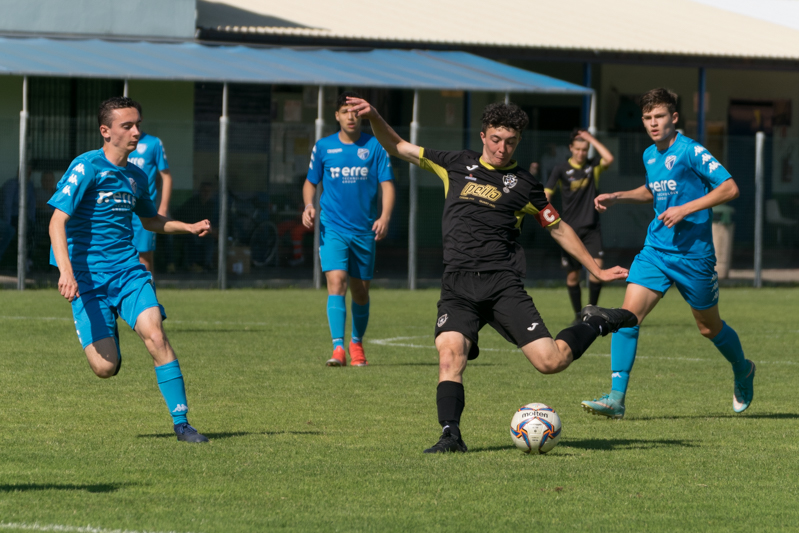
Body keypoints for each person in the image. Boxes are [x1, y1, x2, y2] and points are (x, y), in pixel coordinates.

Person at [347, 95, 636, 453]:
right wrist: (375, 115)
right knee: (450, 355)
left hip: (502, 285)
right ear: (483, 136)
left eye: (510, 142)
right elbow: (398, 146)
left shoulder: (525, 185)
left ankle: (595, 322)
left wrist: (597, 269)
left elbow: (559, 227)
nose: (502, 148)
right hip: (458, 284)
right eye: (496, 139)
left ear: (518, 141)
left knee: (551, 362)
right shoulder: (455, 164)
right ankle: (451, 435)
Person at [581, 88, 754, 419]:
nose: (653, 123)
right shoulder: (650, 154)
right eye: (647, 118)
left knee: (709, 328)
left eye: (659, 116)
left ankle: (743, 369)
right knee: (627, 317)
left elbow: (729, 188)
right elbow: (653, 191)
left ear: (673, 118)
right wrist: (618, 196)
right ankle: (616, 399)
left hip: (694, 257)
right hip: (656, 251)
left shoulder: (691, 151)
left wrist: (686, 208)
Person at [48, 96, 212, 443]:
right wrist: (66, 272)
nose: (137, 132)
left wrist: (187, 226)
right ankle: (106, 326)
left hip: (127, 272)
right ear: (106, 131)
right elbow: (56, 222)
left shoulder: (136, 176)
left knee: (156, 335)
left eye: (138, 124)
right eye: (128, 126)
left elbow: (150, 220)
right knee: (105, 367)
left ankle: (182, 423)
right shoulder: (86, 167)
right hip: (87, 279)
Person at [302, 91, 396, 368]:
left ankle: (356, 343)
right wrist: (308, 205)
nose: (351, 117)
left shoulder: (375, 146)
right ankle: (338, 348)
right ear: (337, 116)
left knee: (360, 292)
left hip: (364, 230)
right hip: (332, 227)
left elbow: (387, 185)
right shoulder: (323, 147)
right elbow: (310, 182)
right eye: (345, 111)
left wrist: (385, 217)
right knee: (337, 282)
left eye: (355, 112)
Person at [545, 129, 615, 325]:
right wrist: (546, 215)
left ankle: (591, 311)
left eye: (585, 149)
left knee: (597, 271)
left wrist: (591, 138)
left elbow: (609, 158)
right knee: (573, 277)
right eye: (577, 149)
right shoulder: (560, 169)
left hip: (592, 228)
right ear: (571, 148)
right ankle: (578, 315)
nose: (581, 153)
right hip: (570, 231)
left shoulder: (593, 167)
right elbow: (547, 193)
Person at [126, 102, 173, 274]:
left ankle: (146, 290)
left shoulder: (153, 143)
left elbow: (166, 177)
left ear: (141, 119)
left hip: (144, 211)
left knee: (144, 258)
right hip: (122, 209)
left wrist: (163, 208)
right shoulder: (119, 144)